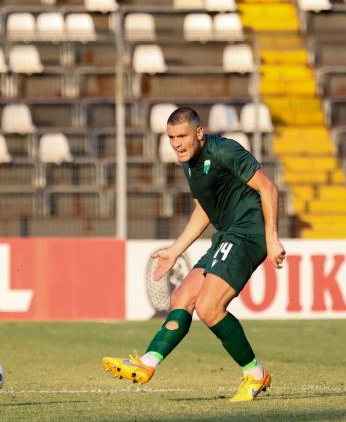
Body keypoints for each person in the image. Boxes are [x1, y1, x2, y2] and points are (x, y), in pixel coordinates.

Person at [102, 107, 286, 402]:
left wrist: (272, 238)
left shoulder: (225, 152)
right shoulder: (188, 163)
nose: (176, 143)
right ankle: (147, 363)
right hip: (226, 235)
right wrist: (175, 251)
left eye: (182, 136)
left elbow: (269, 188)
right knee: (181, 298)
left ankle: (255, 374)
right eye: (171, 137)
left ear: (199, 133)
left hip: (248, 233)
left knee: (210, 308)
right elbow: (204, 209)